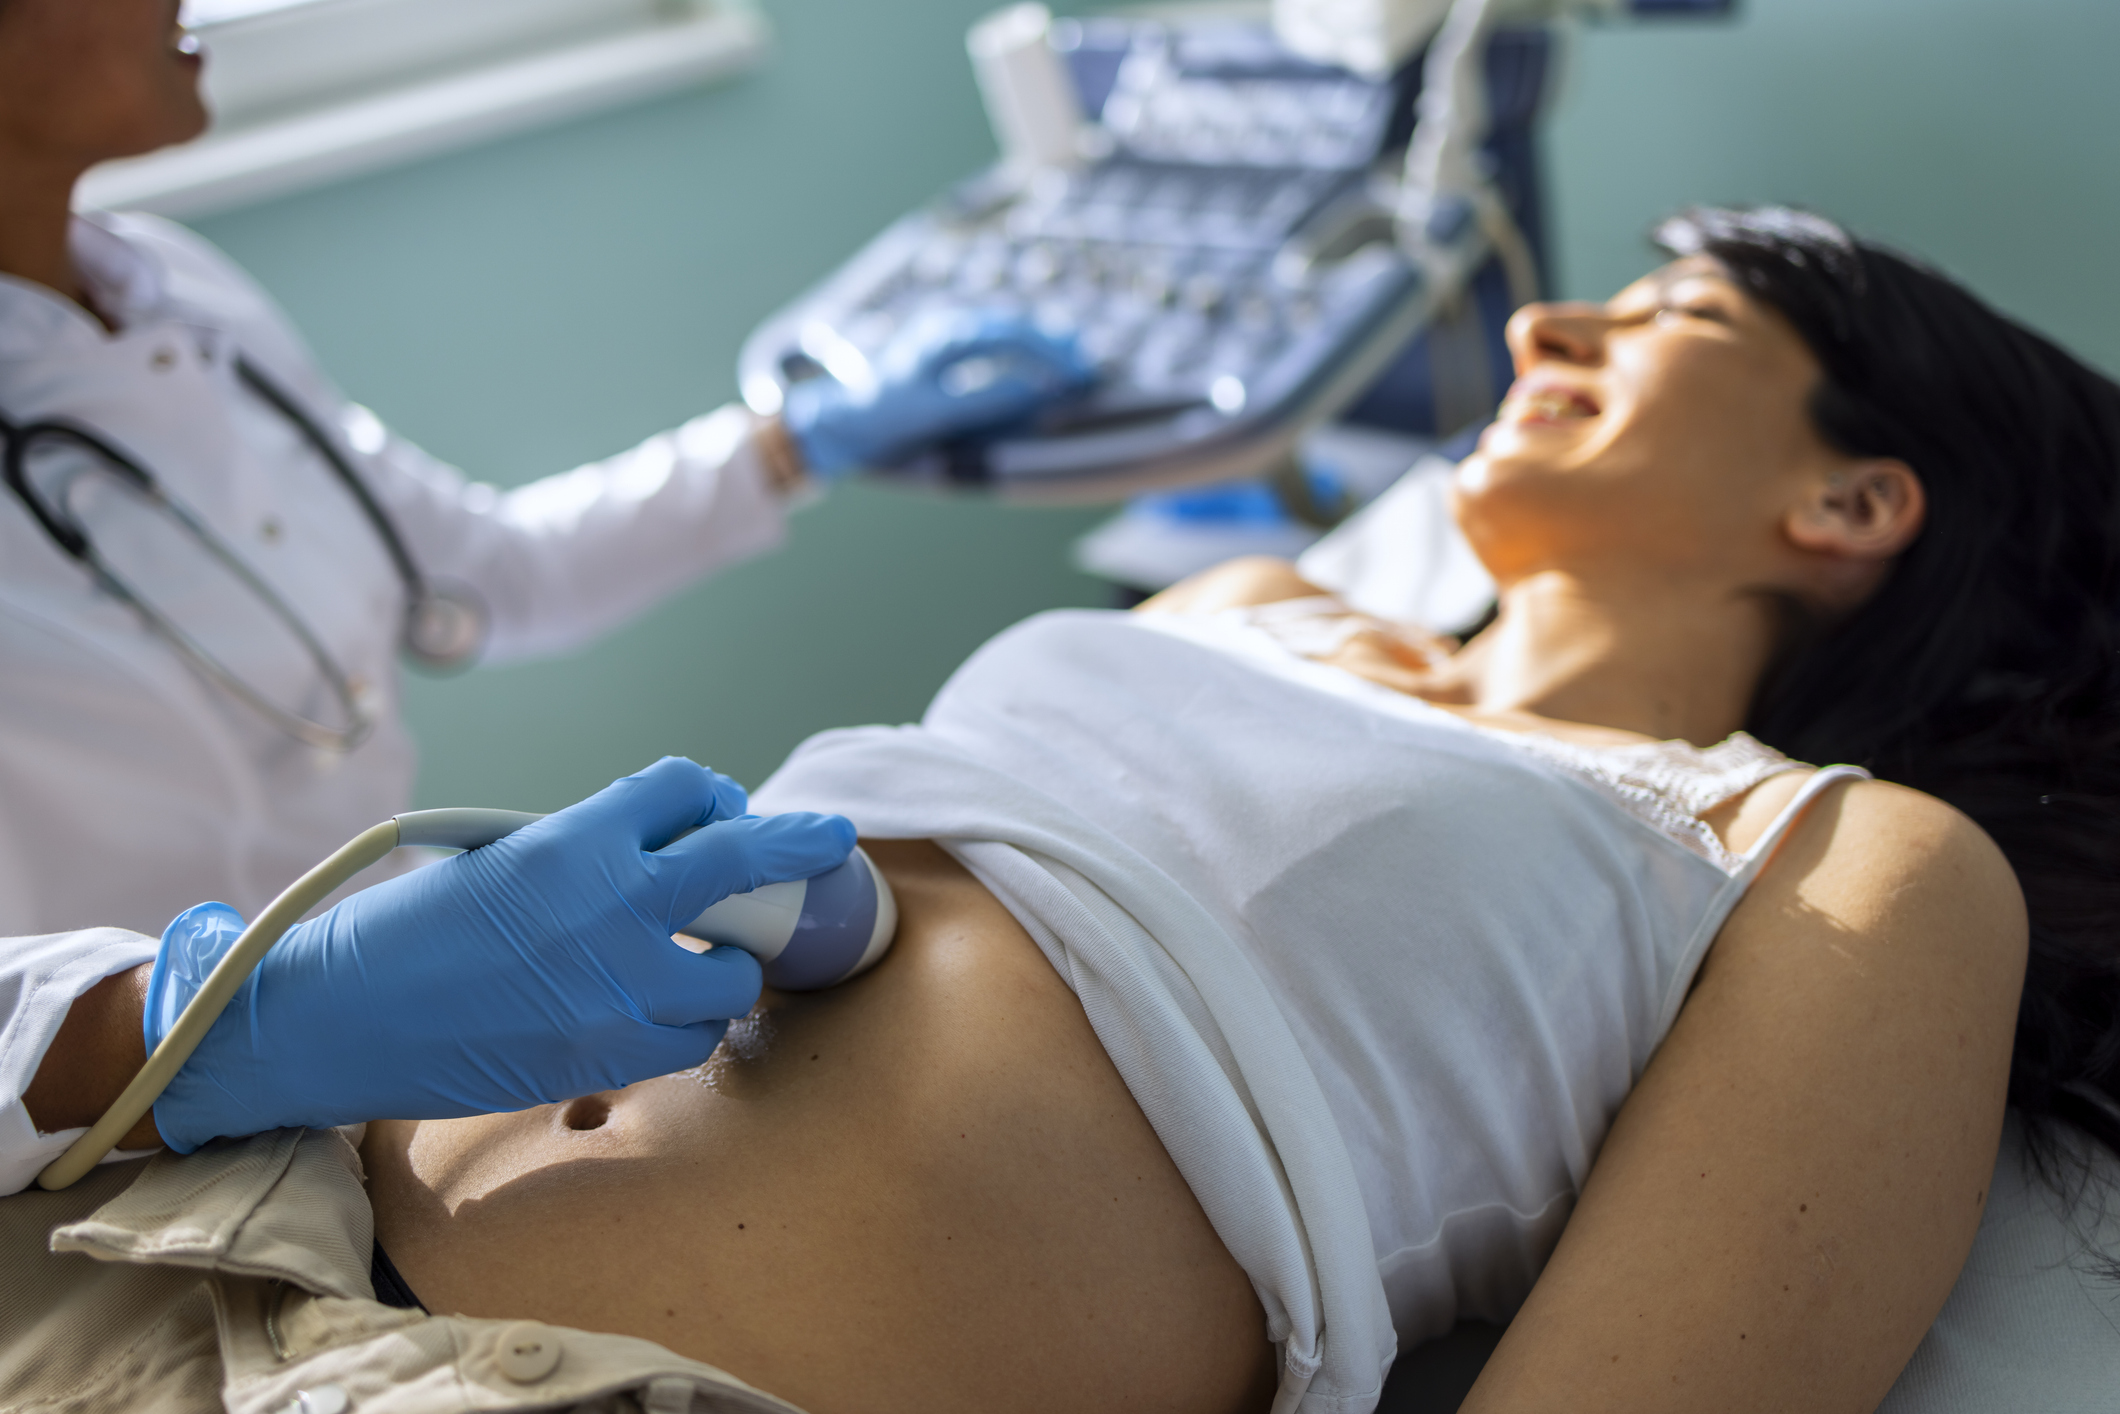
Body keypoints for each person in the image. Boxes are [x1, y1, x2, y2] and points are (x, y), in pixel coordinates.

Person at [6, 208, 2115, 1414]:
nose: (1541, 319)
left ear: (1852, 500)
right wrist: (226, 1014)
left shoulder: (1840, 860)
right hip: (193, 1212)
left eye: (1665, 320)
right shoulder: (1250, 596)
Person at [0, 0, 1091, 938]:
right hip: (151, 1115)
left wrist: (794, 441)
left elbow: (496, 573)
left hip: (402, 953)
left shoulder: (172, 286)